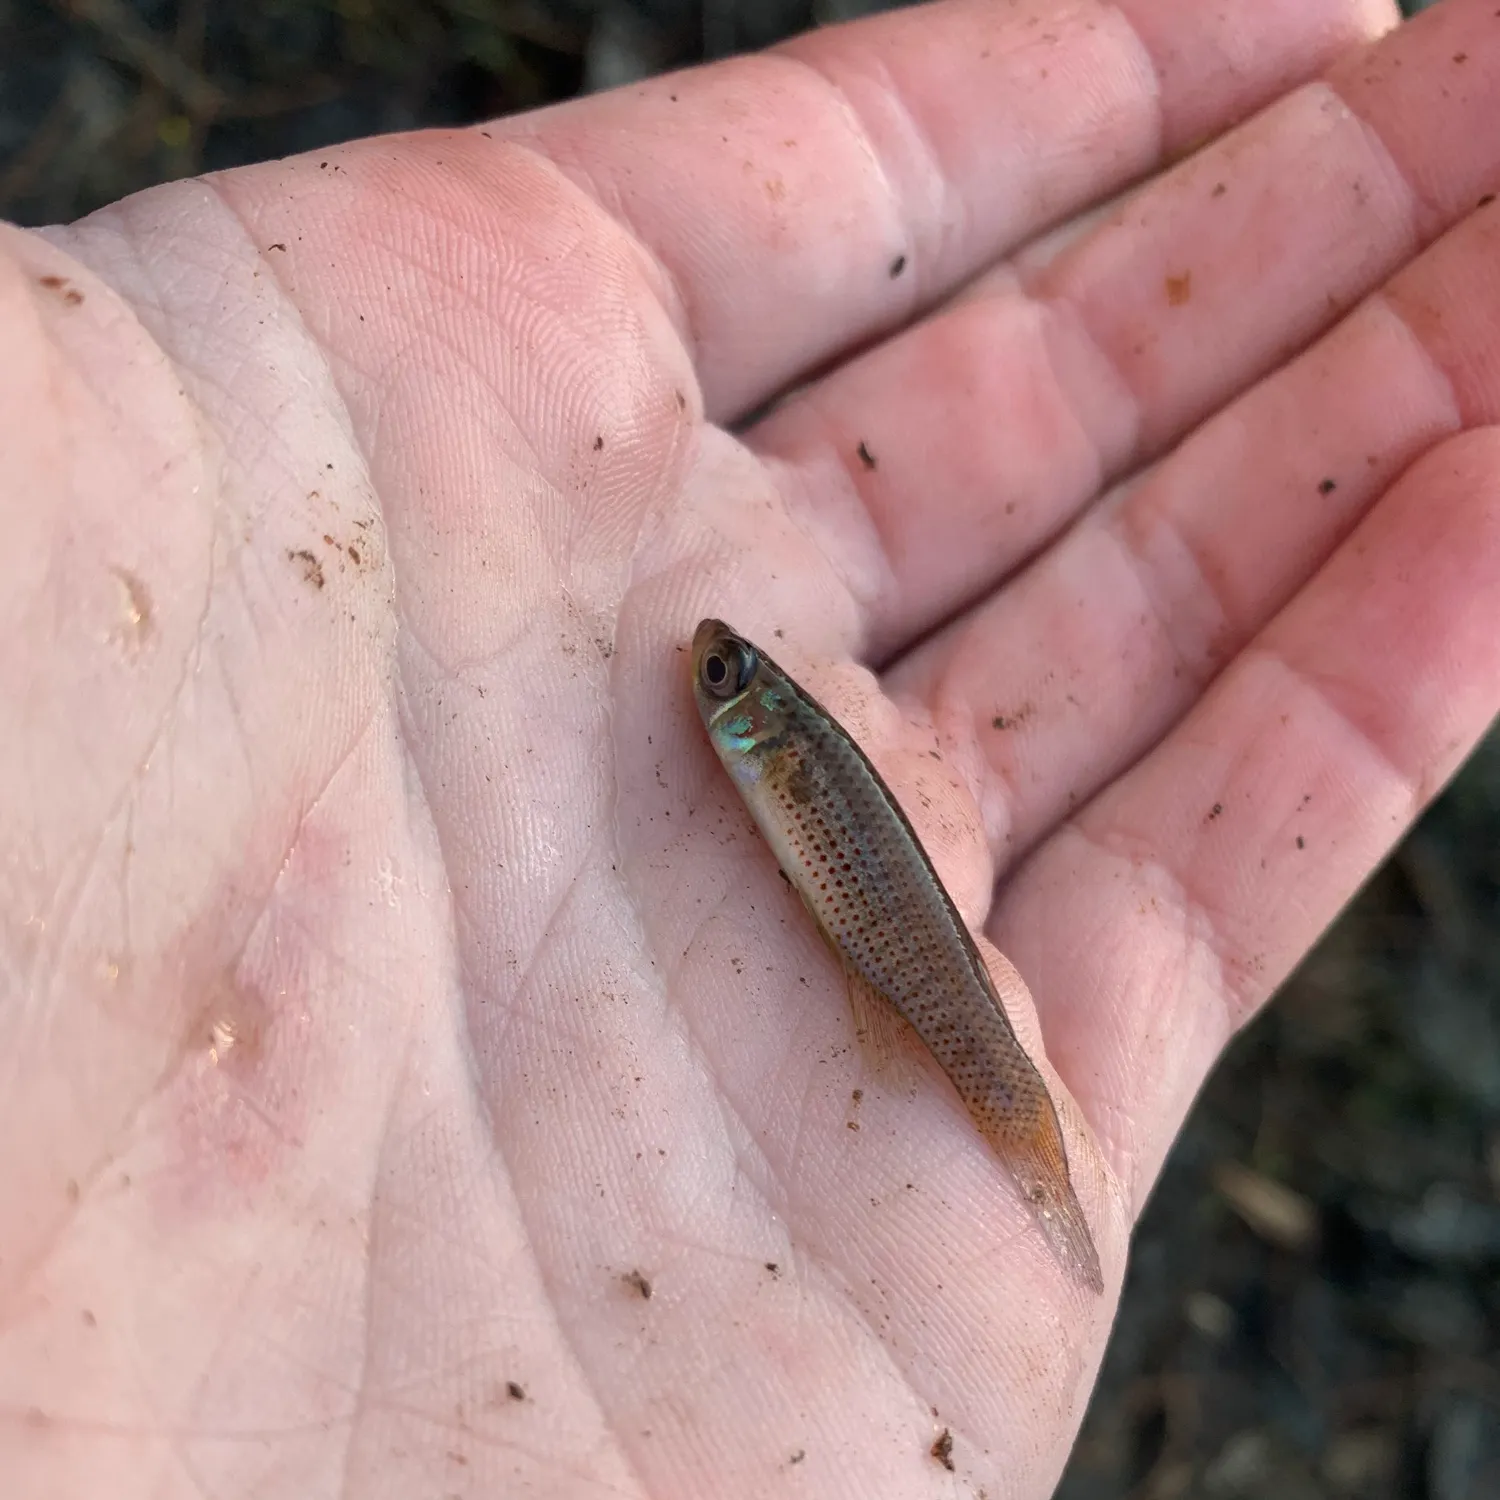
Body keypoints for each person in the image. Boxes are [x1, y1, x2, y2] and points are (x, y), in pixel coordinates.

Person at [3, 0, 1497, 1493]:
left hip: (892, 965)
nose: (704, 675)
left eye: (724, 672)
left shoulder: (776, 741)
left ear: (754, 718)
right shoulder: (754, 744)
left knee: (955, 1024)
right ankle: (1019, 1148)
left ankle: (1022, 1150)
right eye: (727, 672)